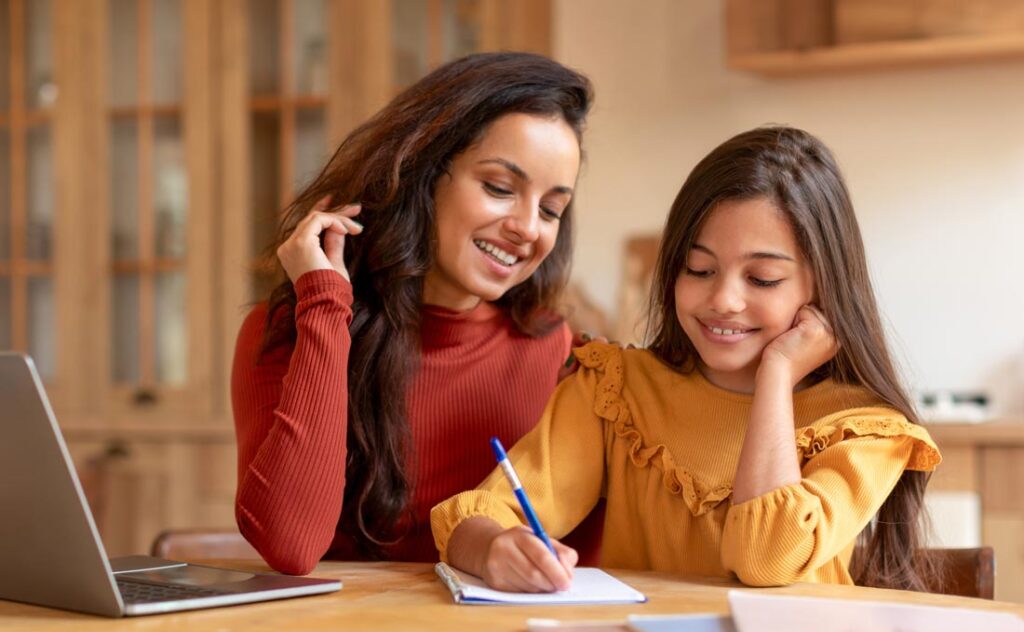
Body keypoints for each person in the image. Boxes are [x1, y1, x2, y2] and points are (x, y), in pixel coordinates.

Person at [431, 126, 943, 594]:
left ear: (823, 286)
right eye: (699, 269)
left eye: (762, 279)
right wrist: (492, 547)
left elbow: (765, 558)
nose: (723, 299)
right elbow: (483, 514)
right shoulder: (615, 390)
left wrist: (777, 374)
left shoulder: (865, 430)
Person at [232, 52, 604, 575]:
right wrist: (323, 307)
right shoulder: (292, 331)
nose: (527, 227)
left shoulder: (554, 347)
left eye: (550, 210)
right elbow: (291, 546)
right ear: (422, 174)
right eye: (500, 188)